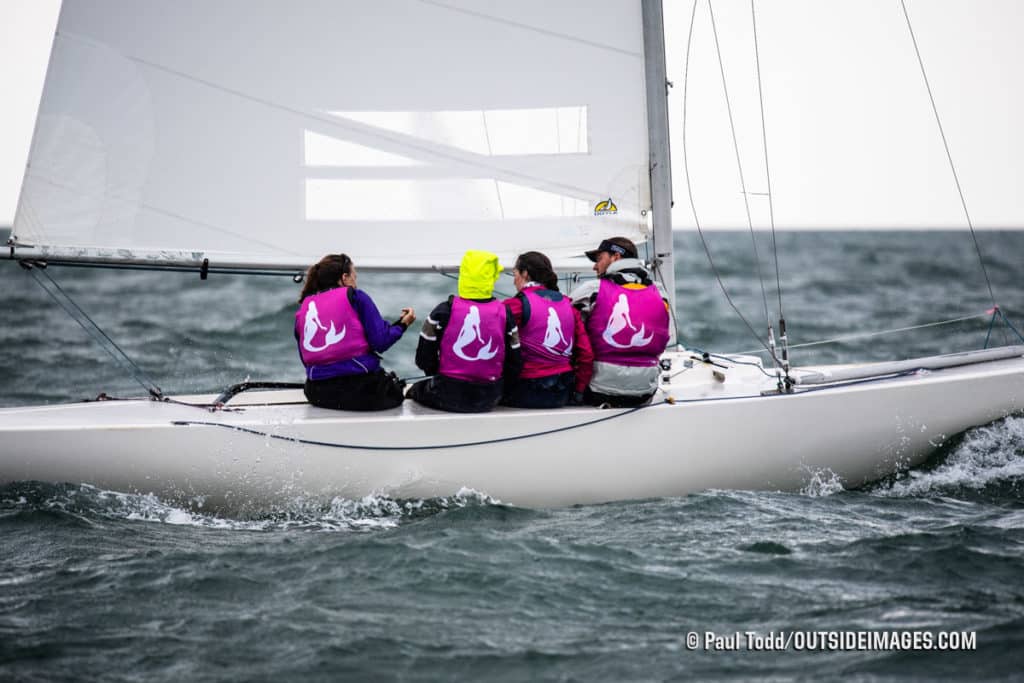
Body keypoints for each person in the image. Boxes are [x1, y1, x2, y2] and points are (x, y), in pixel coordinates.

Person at [295, 253, 415, 410]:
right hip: (360, 392)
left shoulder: (304, 308)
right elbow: (381, 342)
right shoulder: (356, 296)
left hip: (317, 393)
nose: (355, 283)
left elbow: (306, 359)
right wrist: (403, 324)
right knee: (396, 390)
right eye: (354, 277)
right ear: (344, 278)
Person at [408, 250, 521, 413]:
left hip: (447, 393)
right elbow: (515, 363)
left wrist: (439, 375)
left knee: (414, 390)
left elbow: (423, 359)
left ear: (464, 276)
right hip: (489, 397)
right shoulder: (505, 313)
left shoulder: (443, 311)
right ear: (492, 278)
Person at [568, 237, 673, 407]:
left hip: (598, 391)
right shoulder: (660, 293)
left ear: (616, 257)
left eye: (599, 259)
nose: (595, 266)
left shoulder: (593, 290)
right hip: (644, 392)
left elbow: (563, 322)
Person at [501, 251, 593, 408]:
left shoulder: (515, 306)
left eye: (515, 274)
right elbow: (586, 354)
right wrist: (578, 391)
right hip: (562, 391)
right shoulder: (570, 307)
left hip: (525, 390)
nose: (513, 280)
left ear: (525, 274)